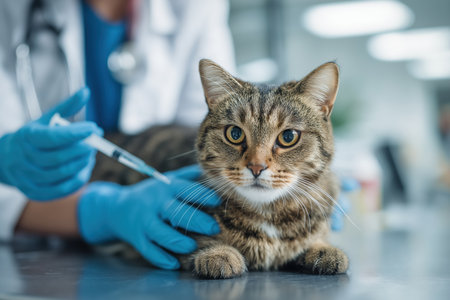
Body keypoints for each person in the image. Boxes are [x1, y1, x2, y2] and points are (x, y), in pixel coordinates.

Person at [0, 0, 355, 269]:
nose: (258, 162)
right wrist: (101, 211)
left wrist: (313, 187)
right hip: (35, 252)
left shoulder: (196, 6)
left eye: (288, 138)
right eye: (241, 138)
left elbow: (200, 121)